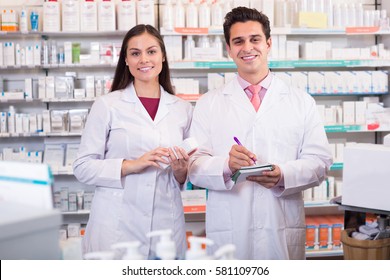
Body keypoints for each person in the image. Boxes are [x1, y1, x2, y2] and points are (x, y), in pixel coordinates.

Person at [188, 7, 333, 259]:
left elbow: (320, 163)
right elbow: (194, 165)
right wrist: (226, 165)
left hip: (281, 223)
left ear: (268, 43)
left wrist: (282, 175)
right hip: (230, 227)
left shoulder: (301, 101)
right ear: (228, 48)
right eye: (238, 41)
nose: (247, 47)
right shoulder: (208, 103)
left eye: (255, 39)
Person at [73, 24, 193, 259]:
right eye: (135, 53)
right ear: (126, 60)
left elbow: (184, 176)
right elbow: (82, 167)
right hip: (116, 225)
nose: (144, 59)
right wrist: (132, 164)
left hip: (165, 223)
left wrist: (181, 171)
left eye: (151, 51)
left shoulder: (182, 109)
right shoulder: (107, 105)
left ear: (163, 56)